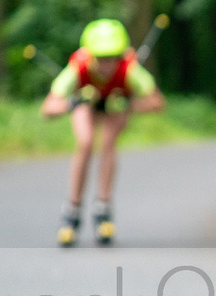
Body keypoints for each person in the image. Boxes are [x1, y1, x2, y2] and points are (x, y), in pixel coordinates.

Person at [40, 19, 166, 246]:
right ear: (91, 55)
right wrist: (75, 102)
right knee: (86, 142)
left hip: (116, 105)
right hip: (86, 104)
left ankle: (103, 210)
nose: (107, 65)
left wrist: (128, 103)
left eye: (112, 58)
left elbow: (157, 102)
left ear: (120, 55)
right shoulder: (78, 68)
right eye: (101, 58)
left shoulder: (129, 68)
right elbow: (48, 109)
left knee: (108, 142)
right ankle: (72, 211)